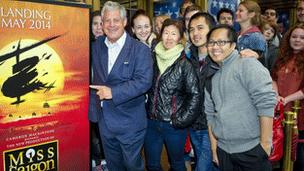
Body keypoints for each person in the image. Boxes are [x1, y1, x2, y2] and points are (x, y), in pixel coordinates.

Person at [89, 1, 153, 170]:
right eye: (107, 21)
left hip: (130, 123)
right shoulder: (95, 47)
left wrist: (113, 92)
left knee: (133, 166)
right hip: (104, 122)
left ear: (125, 22)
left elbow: (144, 81)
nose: (111, 25)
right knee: (113, 166)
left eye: (116, 20)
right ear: (102, 24)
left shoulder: (140, 50)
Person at [205, 25, 276, 171]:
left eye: (221, 42)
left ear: (232, 45)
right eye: (211, 43)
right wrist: (214, 149)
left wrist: (265, 145)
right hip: (224, 151)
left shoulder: (247, 63)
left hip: (252, 150)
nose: (215, 47)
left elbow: (266, 103)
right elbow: (210, 116)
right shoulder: (213, 78)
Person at [144, 19, 200, 171]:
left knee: (176, 163)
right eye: (166, 32)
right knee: (152, 164)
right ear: (160, 34)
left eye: (173, 34)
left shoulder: (185, 64)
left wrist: (180, 120)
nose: (169, 37)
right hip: (151, 123)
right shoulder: (152, 58)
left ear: (180, 37)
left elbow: (194, 95)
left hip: (173, 125)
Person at [271, 24, 304, 171]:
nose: (297, 40)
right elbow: (272, 78)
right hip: (279, 110)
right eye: (294, 36)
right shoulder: (282, 56)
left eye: (302, 38)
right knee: (280, 153)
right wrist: (276, 95)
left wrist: (288, 98)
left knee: (298, 157)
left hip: (299, 113)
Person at [188, 12, 218, 171]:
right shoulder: (188, 57)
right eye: (191, 29)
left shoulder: (220, 57)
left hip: (212, 127)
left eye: (200, 28)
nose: (195, 33)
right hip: (193, 125)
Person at [89, 10, 105, 169]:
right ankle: (95, 160)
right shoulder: (84, 45)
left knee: (103, 133)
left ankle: (104, 160)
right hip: (86, 98)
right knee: (90, 134)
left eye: (102, 23)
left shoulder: (111, 46)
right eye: (95, 24)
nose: (99, 27)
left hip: (105, 99)